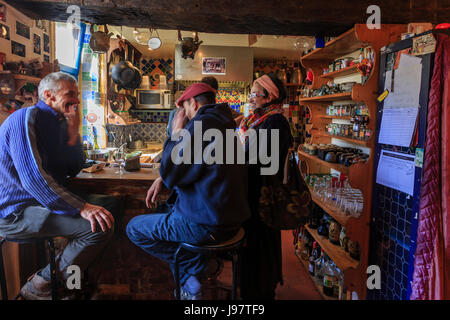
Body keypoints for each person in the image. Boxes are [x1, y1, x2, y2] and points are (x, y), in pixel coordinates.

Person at [0, 72, 120, 300]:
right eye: (70, 95)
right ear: (48, 95)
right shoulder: (25, 118)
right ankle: (43, 282)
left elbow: (73, 168)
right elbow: (33, 179)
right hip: (16, 213)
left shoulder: (58, 124)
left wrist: (74, 133)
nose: (76, 101)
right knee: (99, 227)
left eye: (76, 96)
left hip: (39, 205)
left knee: (111, 206)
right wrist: (82, 208)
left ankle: (75, 282)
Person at [126, 83, 251, 300]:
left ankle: (191, 276)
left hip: (206, 224)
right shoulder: (223, 124)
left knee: (134, 228)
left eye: (185, 108)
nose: (185, 115)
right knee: (169, 212)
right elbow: (191, 169)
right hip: (230, 222)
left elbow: (170, 169)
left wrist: (176, 133)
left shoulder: (201, 124)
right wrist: (165, 179)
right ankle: (198, 268)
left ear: (193, 103)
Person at [238, 73, 293, 299]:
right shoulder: (260, 119)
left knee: (259, 247)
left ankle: (260, 294)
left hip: (262, 197)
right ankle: (255, 289)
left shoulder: (275, 122)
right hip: (256, 193)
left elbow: (255, 158)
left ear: (269, 96)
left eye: (254, 93)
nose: (250, 97)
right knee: (254, 246)